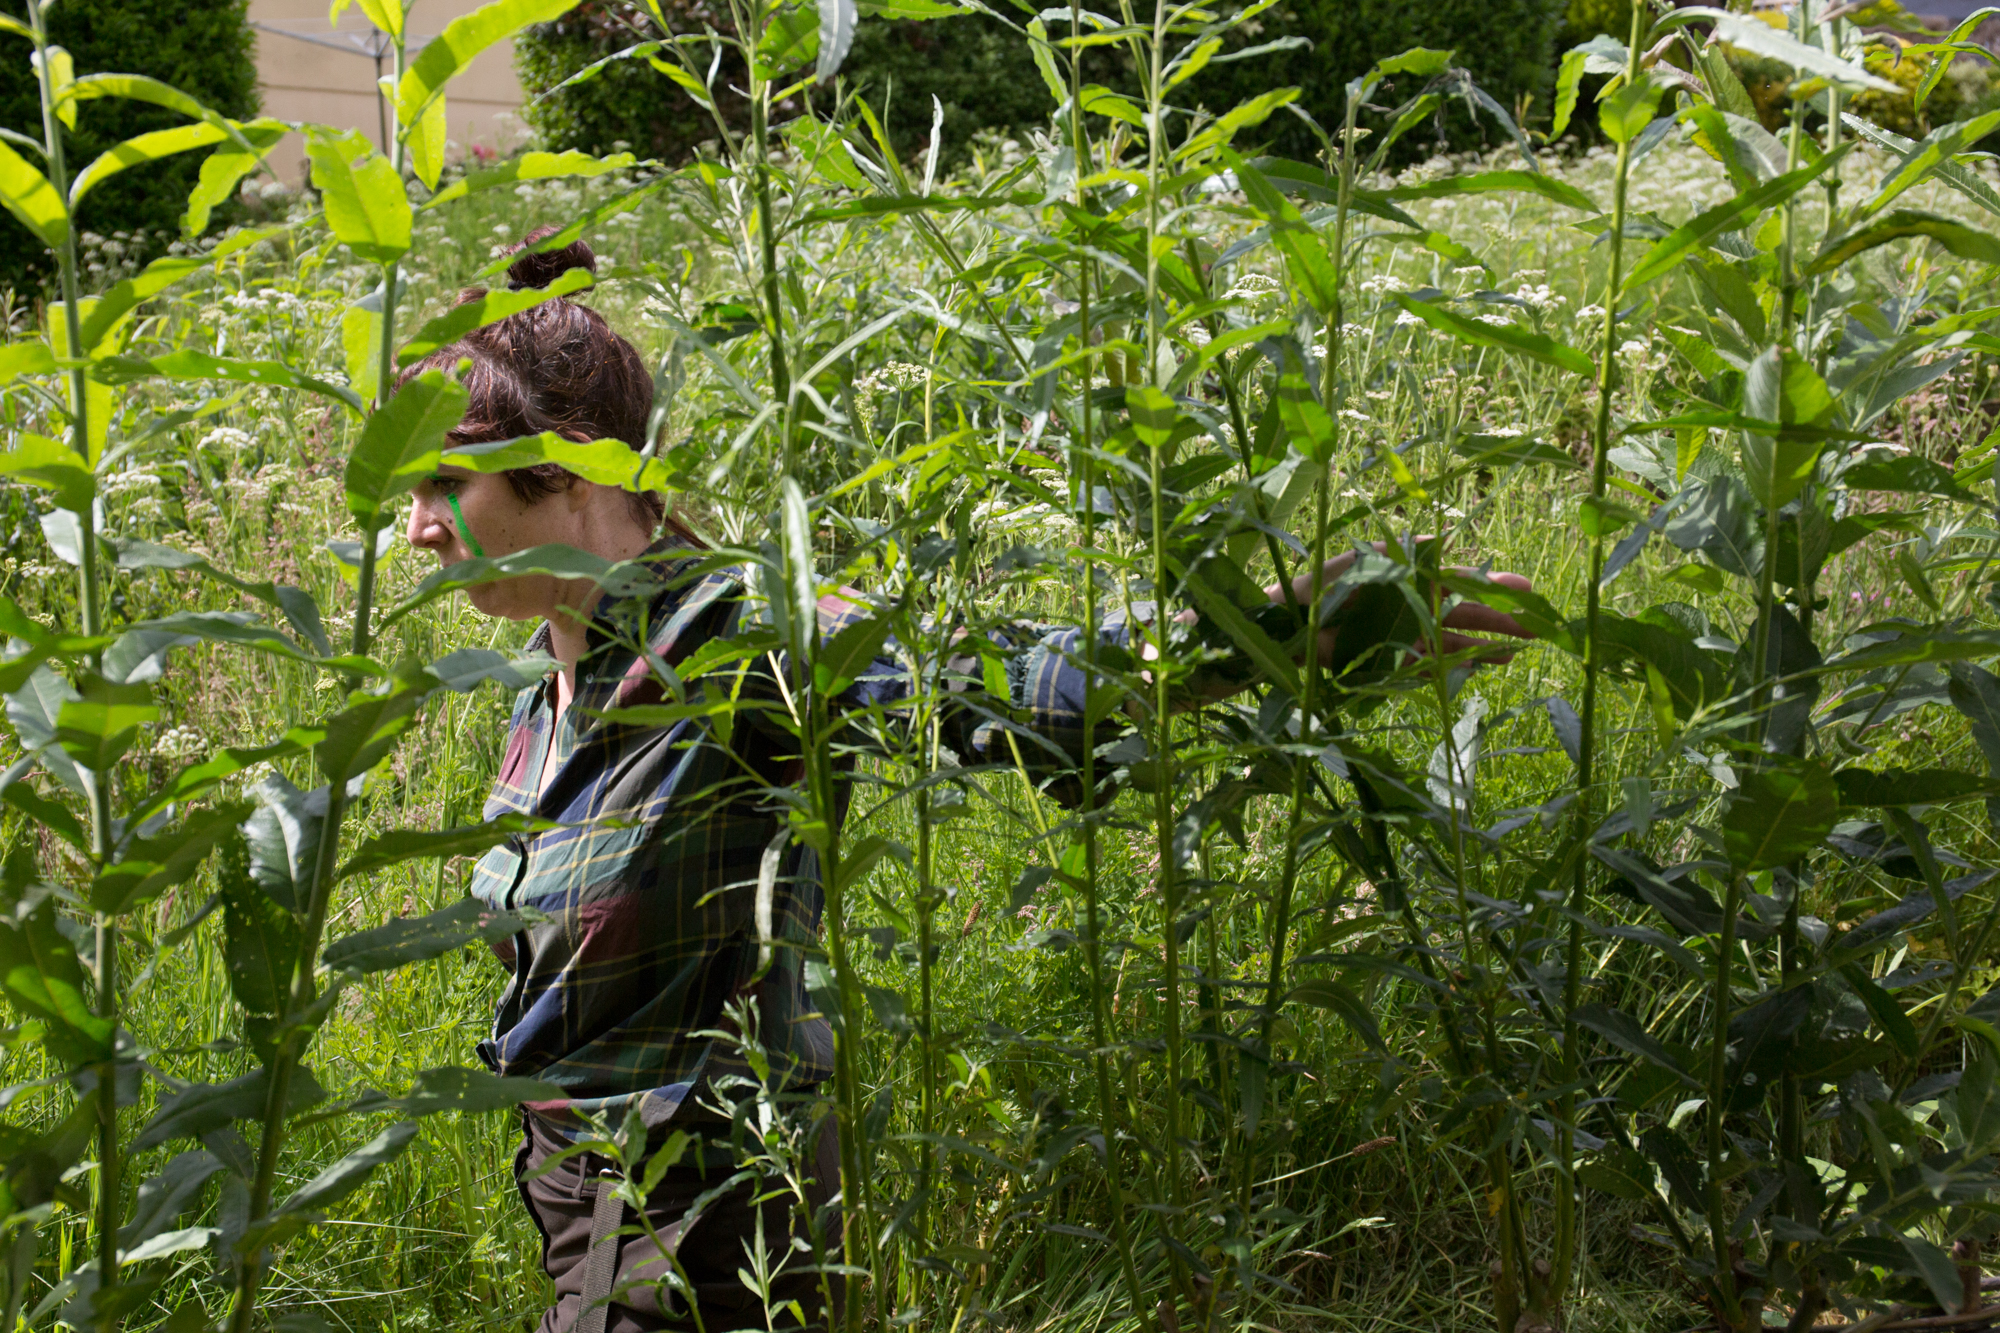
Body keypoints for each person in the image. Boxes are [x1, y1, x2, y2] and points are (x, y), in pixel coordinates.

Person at [399, 228, 1536, 1333]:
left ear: (570, 461)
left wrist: (1274, 627)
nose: (414, 530)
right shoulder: (546, 686)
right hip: (586, 1218)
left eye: (440, 482)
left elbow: (1014, 689)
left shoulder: (745, 638)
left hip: (711, 1227)